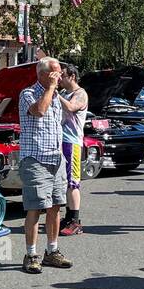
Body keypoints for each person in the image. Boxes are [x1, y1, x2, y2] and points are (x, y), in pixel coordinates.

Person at [17, 57, 74, 273]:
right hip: (35, 159)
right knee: (35, 208)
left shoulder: (58, 95)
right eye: (55, 73)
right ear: (42, 74)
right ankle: (31, 254)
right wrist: (50, 88)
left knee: (55, 206)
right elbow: (40, 110)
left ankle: (52, 251)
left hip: (56, 158)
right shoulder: (28, 94)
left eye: (59, 73)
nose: (59, 77)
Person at [57, 64, 89, 237]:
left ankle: (75, 220)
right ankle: (68, 217)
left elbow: (70, 107)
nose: (60, 79)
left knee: (73, 181)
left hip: (72, 142)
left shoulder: (80, 94)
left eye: (62, 75)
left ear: (72, 76)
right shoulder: (63, 93)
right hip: (60, 140)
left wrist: (55, 94)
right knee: (65, 182)